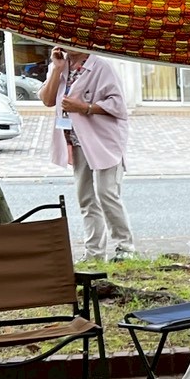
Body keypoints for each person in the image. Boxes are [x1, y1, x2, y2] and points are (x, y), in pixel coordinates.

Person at [42, 47, 135, 260]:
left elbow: (119, 105)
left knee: (106, 193)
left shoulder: (101, 66)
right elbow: (47, 100)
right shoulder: (61, 65)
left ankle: (125, 248)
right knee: (85, 197)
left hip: (104, 140)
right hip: (77, 141)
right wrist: (56, 69)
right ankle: (94, 253)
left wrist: (85, 107)